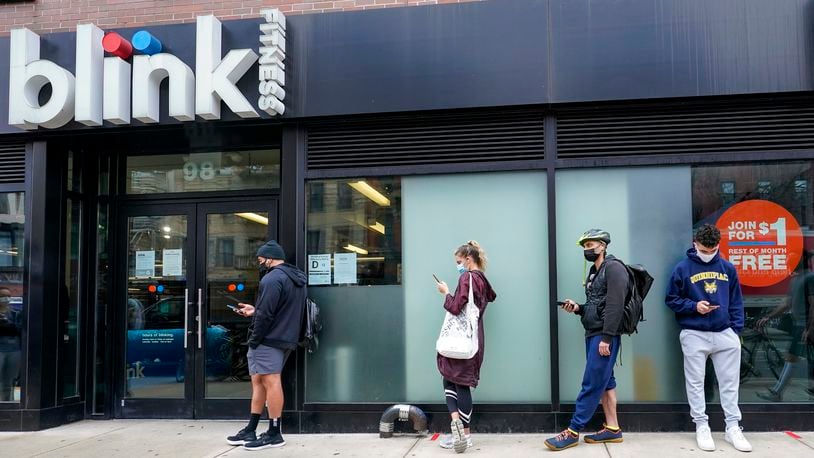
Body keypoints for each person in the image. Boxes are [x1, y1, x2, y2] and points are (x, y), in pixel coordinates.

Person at [665, 224, 751, 452]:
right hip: (694, 332)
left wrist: (736, 330)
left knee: (730, 383)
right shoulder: (682, 268)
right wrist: (694, 306)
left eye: (711, 250)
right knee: (695, 382)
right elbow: (671, 299)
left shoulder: (728, 268)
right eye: (704, 249)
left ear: (718, 246)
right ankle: (701, 425)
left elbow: (736, 300)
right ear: (695, 244)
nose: (707, 253)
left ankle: (733, 427)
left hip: (725, 333)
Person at [545, 229, 627, 451]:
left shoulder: (614, 268)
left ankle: (572, 431)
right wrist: (578, 308)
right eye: (584, 246)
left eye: (590, 245)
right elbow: (597, 305)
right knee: (606, 382)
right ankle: (613, 428)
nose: (587, 250)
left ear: (603, 246)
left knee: (591, 382)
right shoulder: (594, 271)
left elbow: (615, 306)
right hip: (593, 333)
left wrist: (607, 338)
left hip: (604, 336)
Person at [225, 240, 307, 451]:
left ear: (270, 258)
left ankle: (274, 433)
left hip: (268, 339)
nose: (259, 261)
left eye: (261, 258)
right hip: (284, 337)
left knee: (269, 382)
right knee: (260, 382)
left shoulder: (272, 279)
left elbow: (267, 314)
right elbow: (276, 309)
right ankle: (251, 428)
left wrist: (254, 339)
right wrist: (254, 310)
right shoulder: (292, 277)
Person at [435, 241, 497, 453]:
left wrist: (445, 292)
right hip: (474, 338)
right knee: (460, 382)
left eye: (459, 261)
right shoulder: (482, 280)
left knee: (451, 381)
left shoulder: (466, 278)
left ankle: (462, 433)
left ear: (469, 259)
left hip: (459, 338)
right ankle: (461, 432)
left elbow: (454, 307)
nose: (458, 266)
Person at [756, 251, 814, 401]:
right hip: (799, 326)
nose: (789, 261)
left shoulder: (810, 278)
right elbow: (786, 303)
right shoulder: (795, 280)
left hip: (804, 326)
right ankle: (777, 392)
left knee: (791, 357)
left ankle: (777, 392)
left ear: (802, 260)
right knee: (797, 358)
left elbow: (813, 304)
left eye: (793, 258)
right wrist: (769, 317)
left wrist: (809, 328)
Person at [0, 287, 21, 401]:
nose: (5, 299)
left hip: (14, 350)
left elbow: (18, 329)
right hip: (1, 349)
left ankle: (6, 403)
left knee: (8, 381)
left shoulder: (15, 313)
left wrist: (8, 326)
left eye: (8, 296)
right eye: (2, 296)